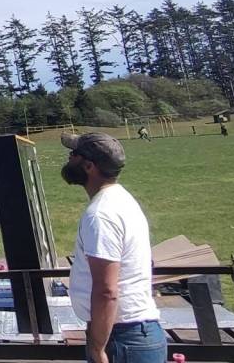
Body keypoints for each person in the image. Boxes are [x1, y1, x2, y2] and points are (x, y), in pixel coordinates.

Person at [61, 132, 166, 363]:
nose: (69, 157)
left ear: (89, 166)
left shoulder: (101, 215)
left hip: (121, 339)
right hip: (130, 334)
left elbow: (107, 291)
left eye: (74, 154)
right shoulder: (120, 199)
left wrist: (98, 349)